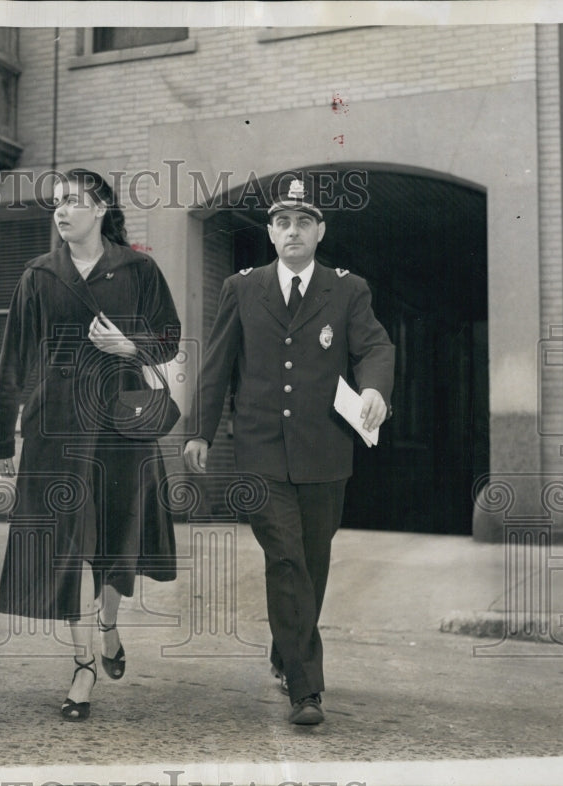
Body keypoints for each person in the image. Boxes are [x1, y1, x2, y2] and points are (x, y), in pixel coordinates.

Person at [183, 179, 394, 725]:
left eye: (303, 222)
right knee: (285, 557)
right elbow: (218, 364)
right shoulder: (242, 287)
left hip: (325, 451)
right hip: (259, 451)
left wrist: (373, 388)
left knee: (312, 562)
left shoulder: (347, 290)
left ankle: (286, 652)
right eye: (282, 223)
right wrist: (200, 432)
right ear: (271, 234)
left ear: (320, 231)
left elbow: (374, 346)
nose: (293, 231)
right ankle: (307, 687)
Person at [0, 169, 180, 721]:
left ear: (100, 209)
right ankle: (83, 665)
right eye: (56, 203)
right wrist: (0, 435)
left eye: (73, 201)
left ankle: (109, 626)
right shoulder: (38, 274)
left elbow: (168, 337)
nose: (61, 211)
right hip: (55, 428)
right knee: (66, 547)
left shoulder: (138, 268)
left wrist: (130, 344)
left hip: (121, 425)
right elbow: (15, 361)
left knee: (116, 538)